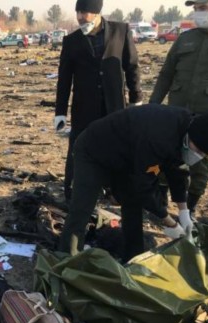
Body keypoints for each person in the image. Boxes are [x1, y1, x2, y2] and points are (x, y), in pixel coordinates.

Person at [57, 105, 208, 262]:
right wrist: (169, 222)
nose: (198, 155)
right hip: (95, 151)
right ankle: (66, 259)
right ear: (191, 136)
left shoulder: (187, 130)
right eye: (197, 150)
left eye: (203, 154)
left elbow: (178, 170)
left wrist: (184, 212)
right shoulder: (159, 136)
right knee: (82, 207)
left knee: (133, 205)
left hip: (128, 158)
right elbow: (143, 185)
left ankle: (132, 258)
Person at [149, 0, 208, 223]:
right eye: (195, 9)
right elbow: (166, 75)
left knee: (198, 166)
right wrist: (154, 105)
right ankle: (160, 203)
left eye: (202, 8)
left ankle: (190, 207)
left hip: (205, 115)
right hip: (175, 111)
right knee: (163, 155)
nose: (197, 13)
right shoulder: (185, 39)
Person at [54, 0, 143, 201]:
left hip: (114, 106)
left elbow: (131, 66)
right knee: (78, 148)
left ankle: (115, 189)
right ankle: (73, 190)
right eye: (77, 12)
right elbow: (64, 79)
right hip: (84, 108)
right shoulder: (71, 41)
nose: (79, 17)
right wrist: (60, 112)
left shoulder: (120, 31)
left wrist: (135, 97)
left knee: (116, 148)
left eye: (84, 13)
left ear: (96, 13)